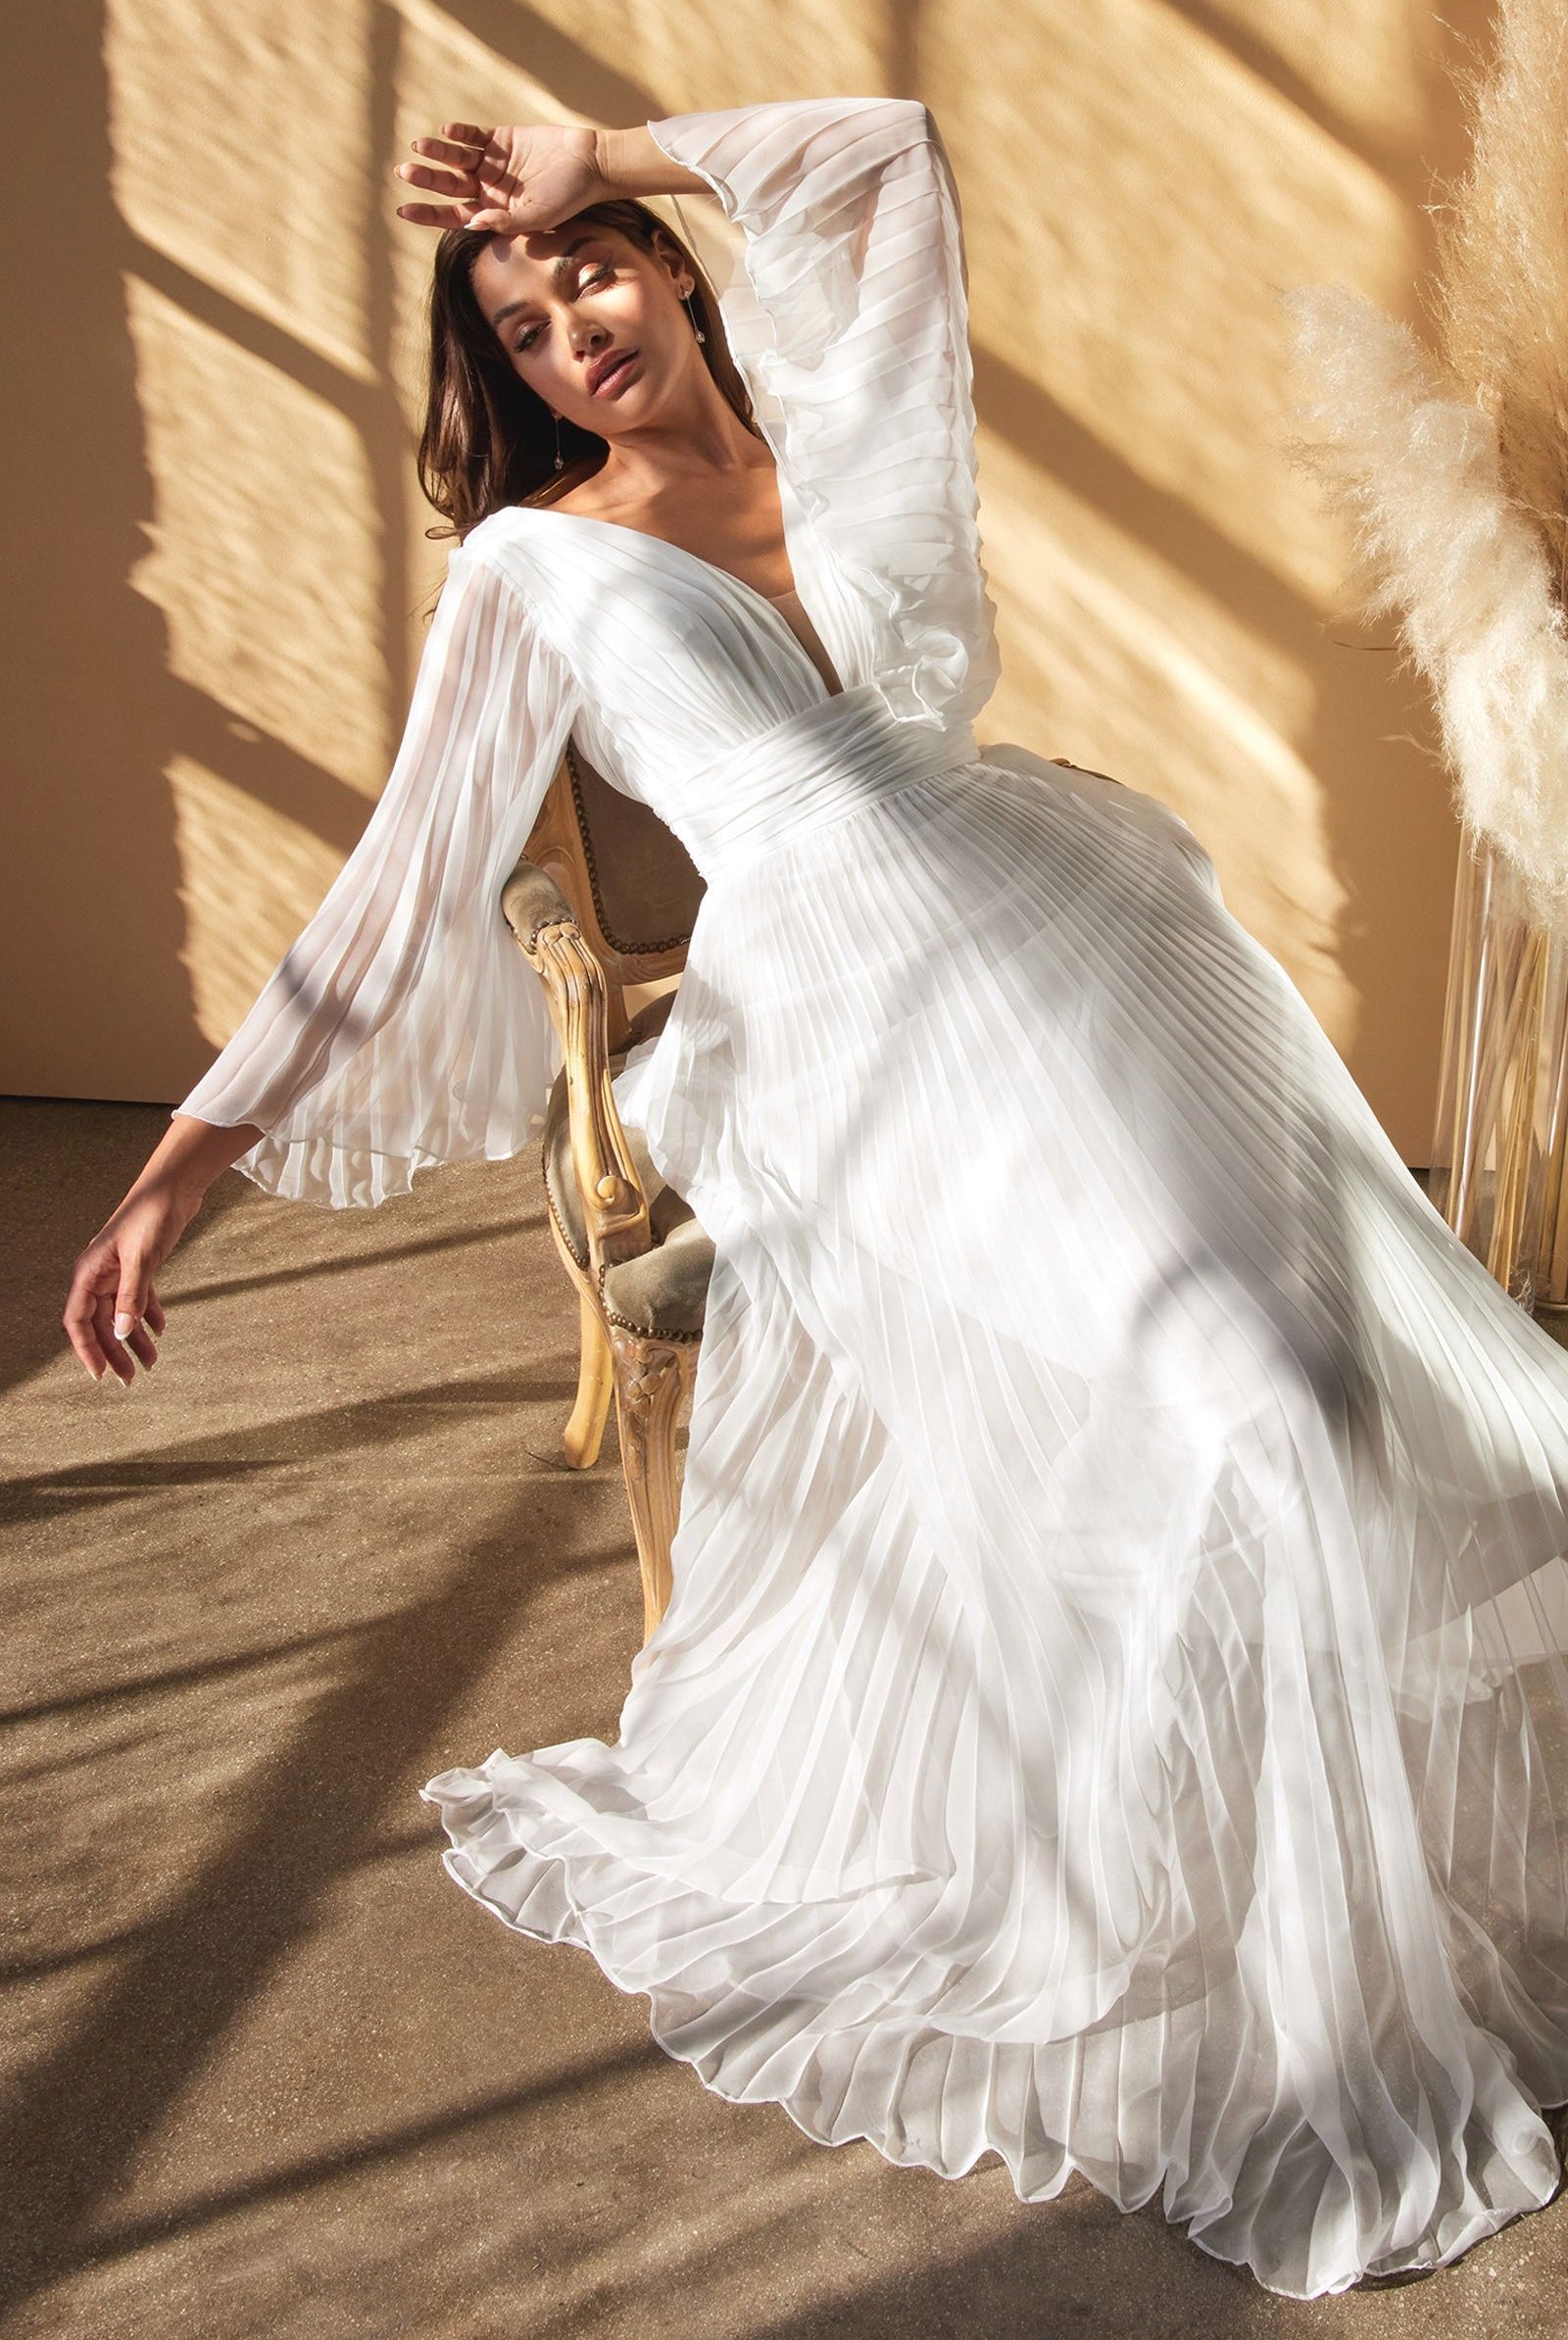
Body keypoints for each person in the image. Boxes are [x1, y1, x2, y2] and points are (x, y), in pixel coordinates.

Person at [62, 98, 1568, 2298]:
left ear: (672, 269)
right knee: (1249, 1412)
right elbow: (388, 902)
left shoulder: (843, 434)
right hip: (858, 1041)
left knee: (1375, 1399)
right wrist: (177, 1177)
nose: (571, 329)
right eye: (522, 326)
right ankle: (1265, 1967)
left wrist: (597, 150)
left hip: (1106, 945)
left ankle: (1306, 1855)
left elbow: (884, 154)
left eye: (589, 270)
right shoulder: (533, 568)